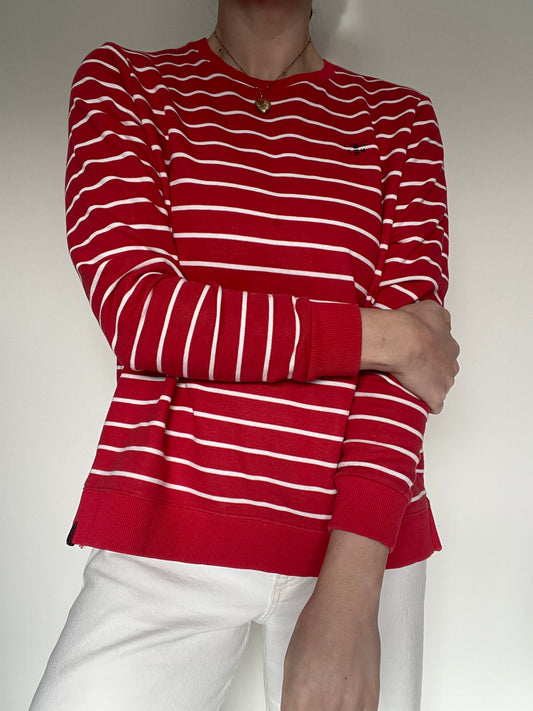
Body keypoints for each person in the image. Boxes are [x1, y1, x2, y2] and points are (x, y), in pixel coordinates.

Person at [30, 1, 459, 710]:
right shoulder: (125, 83)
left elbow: (404, 383)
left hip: (360, 537)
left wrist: (350, 594)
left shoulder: (400, 120)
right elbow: (143, 316)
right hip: (168, 527)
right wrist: (388, 337)